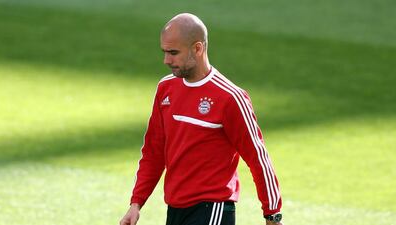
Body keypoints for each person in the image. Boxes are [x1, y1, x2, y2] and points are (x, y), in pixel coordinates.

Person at [120, 13, 283, 225]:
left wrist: (272, 213)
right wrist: (136, 203)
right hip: (175, 210)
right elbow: (154, 151)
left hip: (212, 209)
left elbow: (258, 157)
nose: (166, 60)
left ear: (197, 48)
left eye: (173, 53)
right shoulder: (166, 89)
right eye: (164, 52)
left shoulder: (230, 97)